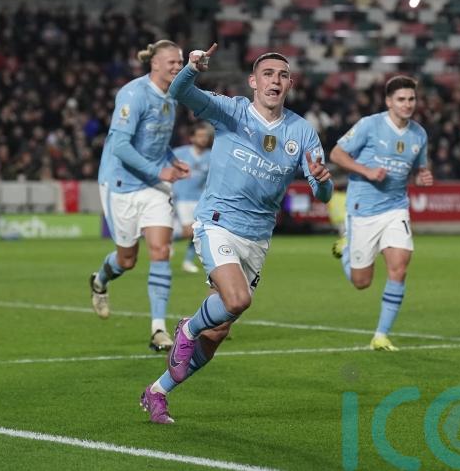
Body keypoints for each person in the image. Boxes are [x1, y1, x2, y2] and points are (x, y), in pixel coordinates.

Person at [139, 44, 332, 424]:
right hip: (218, 221)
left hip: (257, 238)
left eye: (282, 75)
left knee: (219, 332)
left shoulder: (302, 131)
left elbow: (321, 192)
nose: (275, 80)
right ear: (254, 82)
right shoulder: (232, 111)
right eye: (267, 74)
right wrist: (192, 69)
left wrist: (323, 181)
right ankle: (187, 326)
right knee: (237, 299)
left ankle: (157, 391)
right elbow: (179, 92)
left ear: (289, 83)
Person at [89, 40, 190, 352]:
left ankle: (158, 329)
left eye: (180, 62)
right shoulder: (133, 93)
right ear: (155, 64)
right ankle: (100, 280)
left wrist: (171, 159)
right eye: (172, 62)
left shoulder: (172, 97)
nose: (177, 67)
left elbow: (155, 138)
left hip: (153, 187)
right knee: (126, 260)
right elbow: (120, 145)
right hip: (120, 183)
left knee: (160, 250)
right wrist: (159, 170)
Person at [329, 76, 434, 352]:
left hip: (396, 208)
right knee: (361, 282)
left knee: (400, 266)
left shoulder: (419, 134)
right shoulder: (369, 125)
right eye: (401, 99)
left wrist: (422, 174)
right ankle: (347, 248)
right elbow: (337, 154)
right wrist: (366, 172)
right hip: (363, 209)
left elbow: (419, 167)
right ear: (389, 102)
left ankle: (381, 335)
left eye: (411, 99)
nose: (407, 104)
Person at [171, 121, 213, 274]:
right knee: (190, 231)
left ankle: (188, 261)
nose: (203, 139)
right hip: (182, 197)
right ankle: (166, 239)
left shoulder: (211, 156)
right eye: (200, 136)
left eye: (206, 136)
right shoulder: (180, 153)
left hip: (200, 199)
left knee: (199, 232)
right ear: (192, 138)